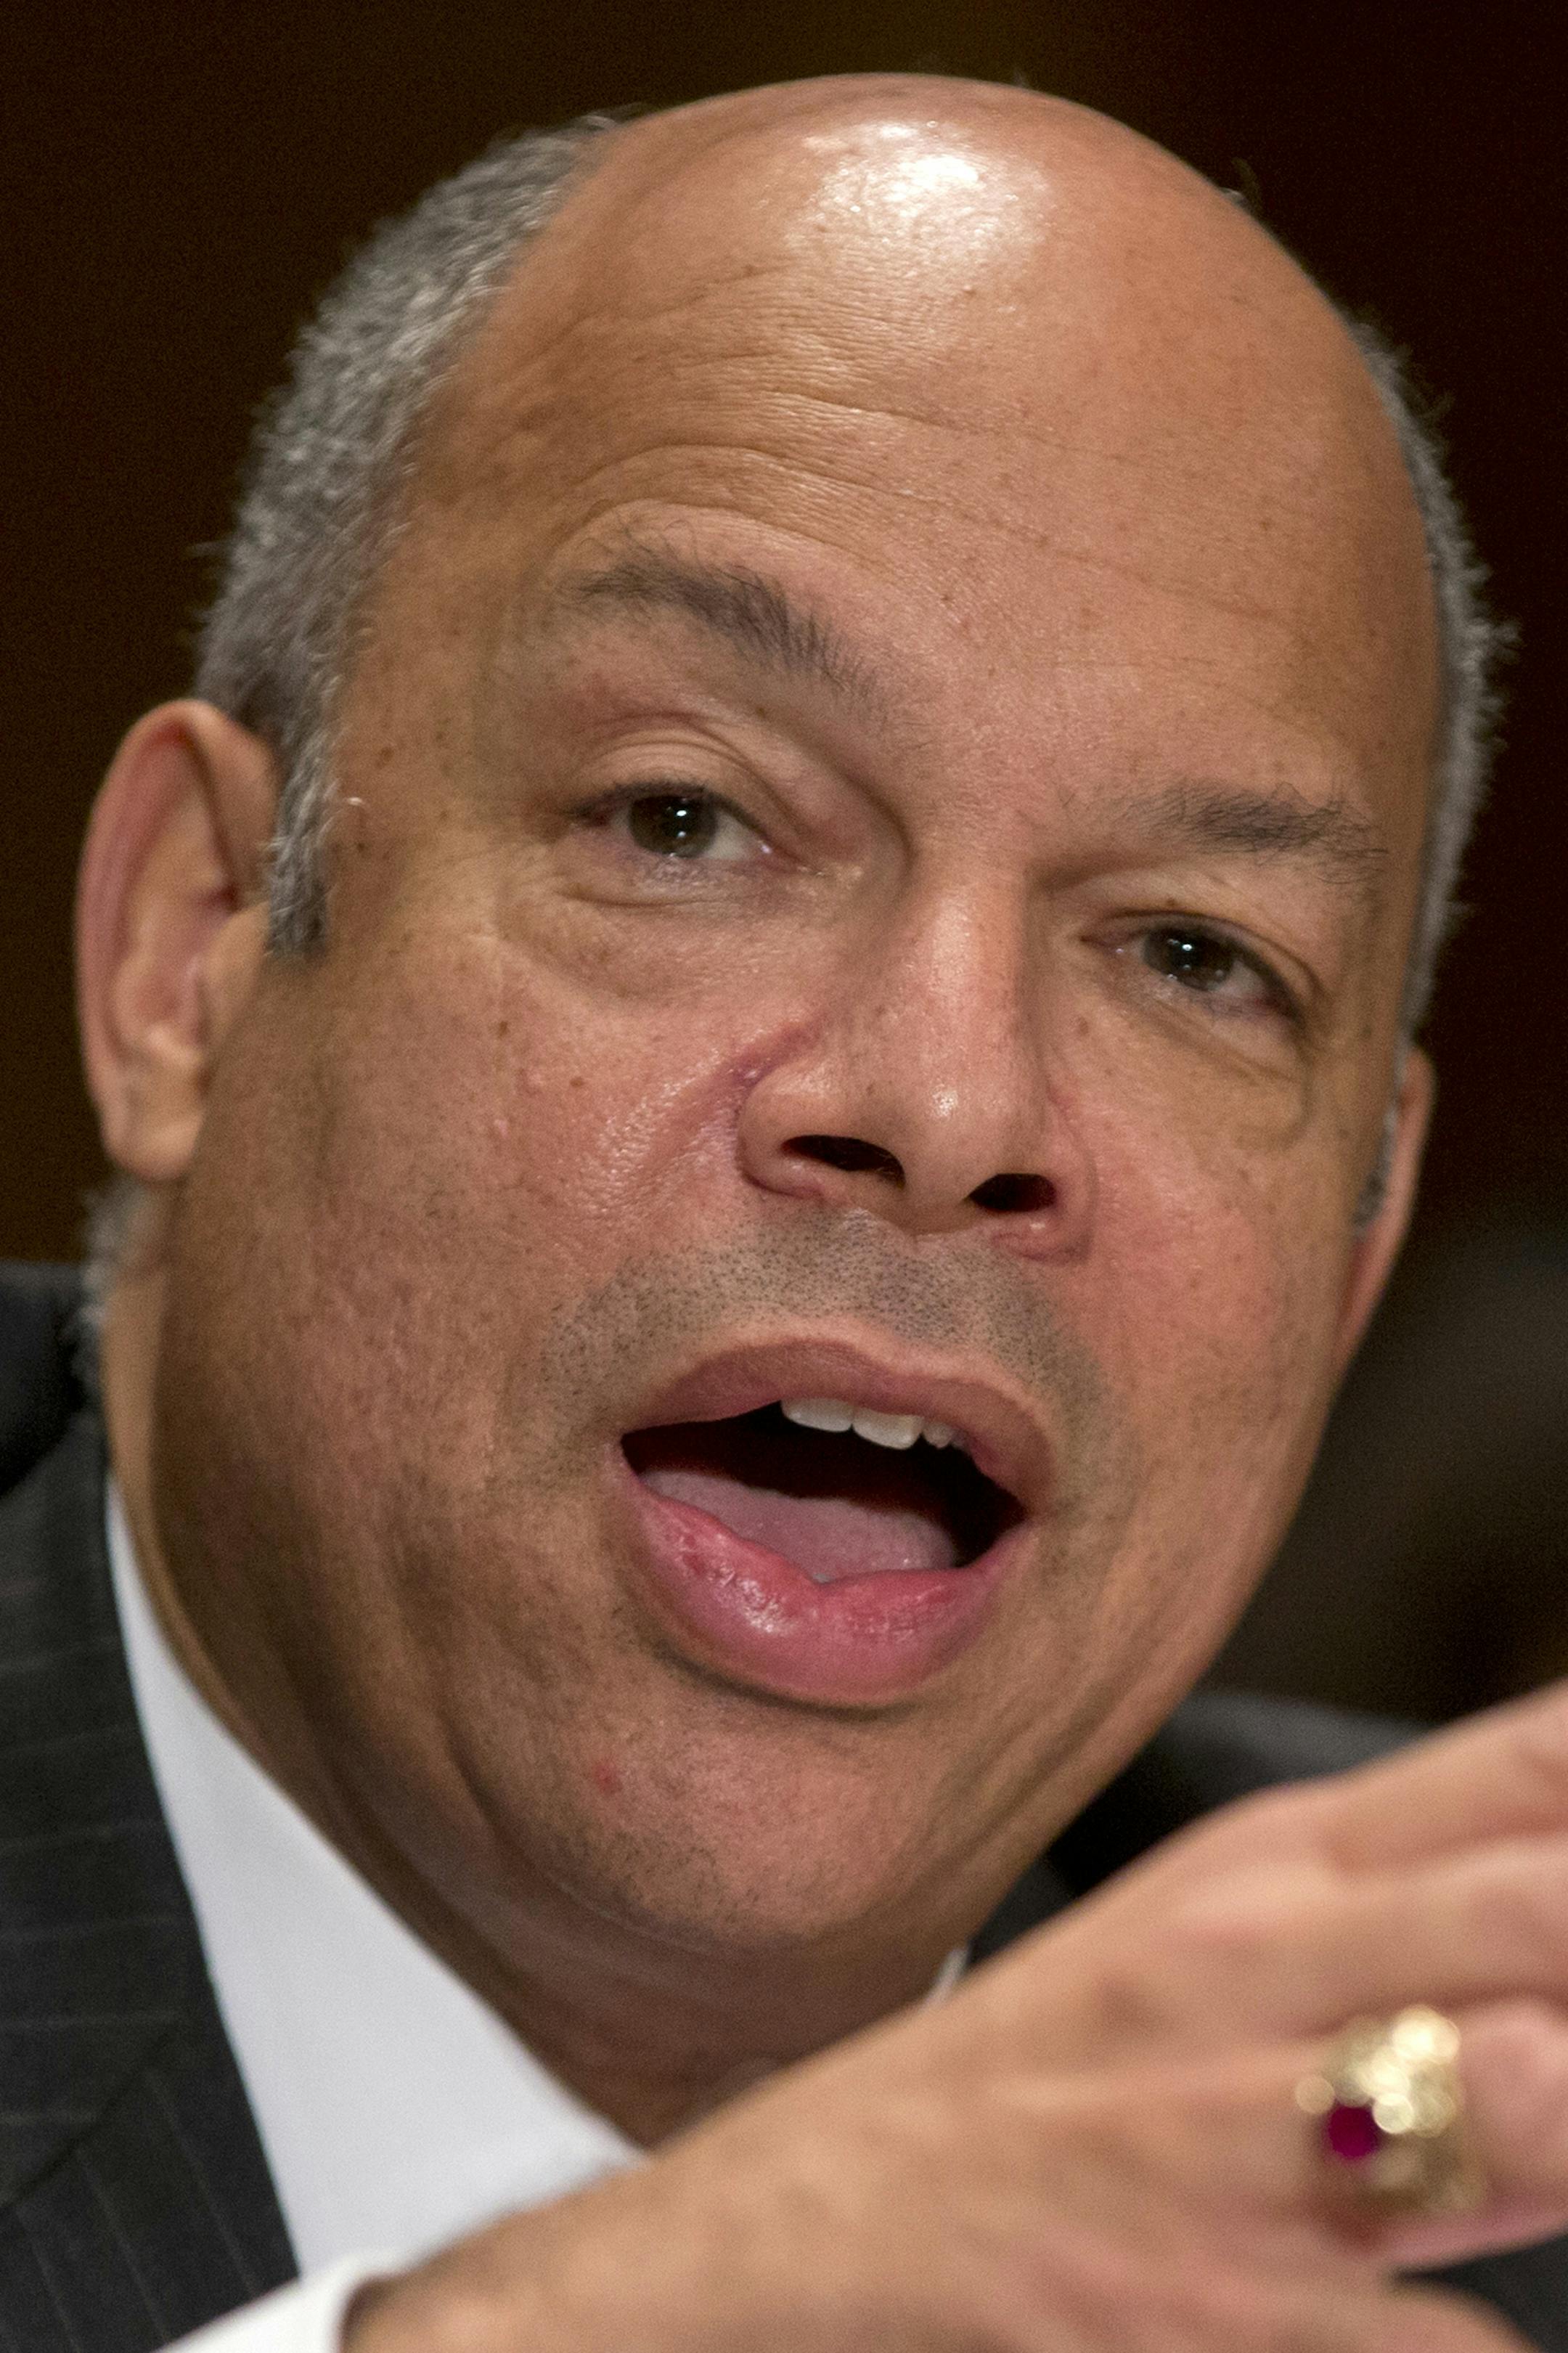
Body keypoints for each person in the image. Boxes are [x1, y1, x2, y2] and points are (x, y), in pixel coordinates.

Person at [6, 67, 1568, 2353]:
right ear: (197, 949)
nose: (948, 1104)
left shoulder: (1466, 2080)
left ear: (1357, 1245)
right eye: (686, 819)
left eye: (1195, 955)